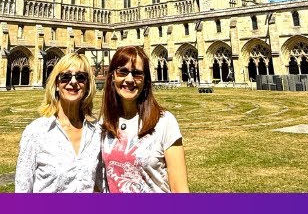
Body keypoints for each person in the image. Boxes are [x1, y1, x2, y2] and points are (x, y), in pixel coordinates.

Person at [99, 46, 189, 193]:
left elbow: (180, 190)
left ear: (146, 80)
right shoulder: (105, 123)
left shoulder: (165, 122)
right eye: (122, 71)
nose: (129, 79)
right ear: (112, 76)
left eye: (137, 74)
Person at [15, 53, 103, 193]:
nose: (73, 82)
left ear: (87, 85)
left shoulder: (97, 133)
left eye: (81, 77)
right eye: (66, 77)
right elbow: (22, 190)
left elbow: (100, 185)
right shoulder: (36, 132)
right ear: (56, 84)